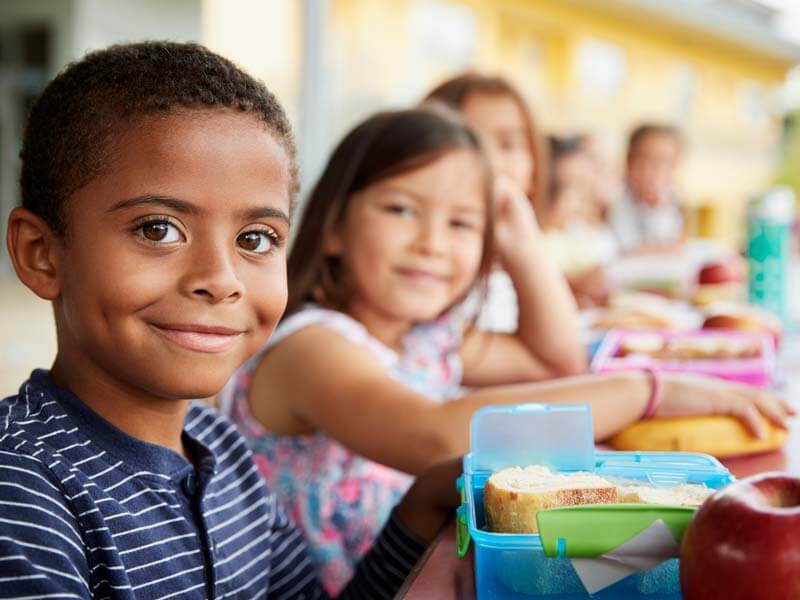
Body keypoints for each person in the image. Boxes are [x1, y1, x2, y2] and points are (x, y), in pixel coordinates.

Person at [224, 107, 793, 593]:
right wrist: (651, 389)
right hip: (365, 585)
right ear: (333, 227)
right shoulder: (310, 346)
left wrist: (519, 238)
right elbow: (437, 437)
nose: (432, 242)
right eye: (402, 209)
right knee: (621, 565)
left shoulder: (427, 339)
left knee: (648, 557)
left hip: (437, 565)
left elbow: (556, 359)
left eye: (462, 223)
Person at [0, 41, 462, 600]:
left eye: (255, 240)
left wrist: (421, 507)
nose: (221, 279)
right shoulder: (21, 486)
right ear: (41, 254)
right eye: (158, 229)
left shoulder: (223, 450)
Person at [424, 72, 577, 333]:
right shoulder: (429, 264)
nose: (491, 163)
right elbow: (560, 359)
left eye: (508, 144)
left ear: (534, 170)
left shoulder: (511, 268)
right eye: (467, 140)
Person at [540, 136, 618, 307]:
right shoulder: (534, 241)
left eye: (583, 186)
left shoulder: (573, 234)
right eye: (568, 186)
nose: (580, 199)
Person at [609, 123, 686, 254]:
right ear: (628, 160)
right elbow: (623, 251)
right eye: (644, 159)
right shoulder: (611, 197)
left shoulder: (675, 201)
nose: (652, 170)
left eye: (663, 162)